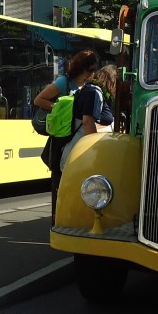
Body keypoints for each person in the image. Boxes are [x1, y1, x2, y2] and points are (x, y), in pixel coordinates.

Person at [34, 49, 99, 218]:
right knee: (59, 181)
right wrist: (59, 108)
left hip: (73, 136)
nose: (93, 73)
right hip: (61, 137)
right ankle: (58, 221)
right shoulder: (63, 82)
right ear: (82, 69)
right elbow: (39, 100)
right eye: (90, 70)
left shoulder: (86, 86)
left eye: (94, 70)